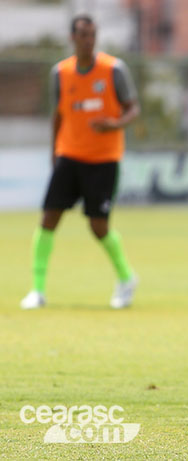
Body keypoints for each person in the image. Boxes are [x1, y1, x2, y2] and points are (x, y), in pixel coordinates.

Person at [20, 15, 141, 310]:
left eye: (93, 34)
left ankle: (126, 278)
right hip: (69, 156)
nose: (89, 40)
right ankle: (37, 290)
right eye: (83, 35)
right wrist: (54, 152)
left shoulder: (113, 70)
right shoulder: (60, 73)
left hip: (103, 160)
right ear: (72, 38)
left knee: (98, 226)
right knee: (48, 219)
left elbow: (133, 108)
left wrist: (114, 124)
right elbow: (59, 114)